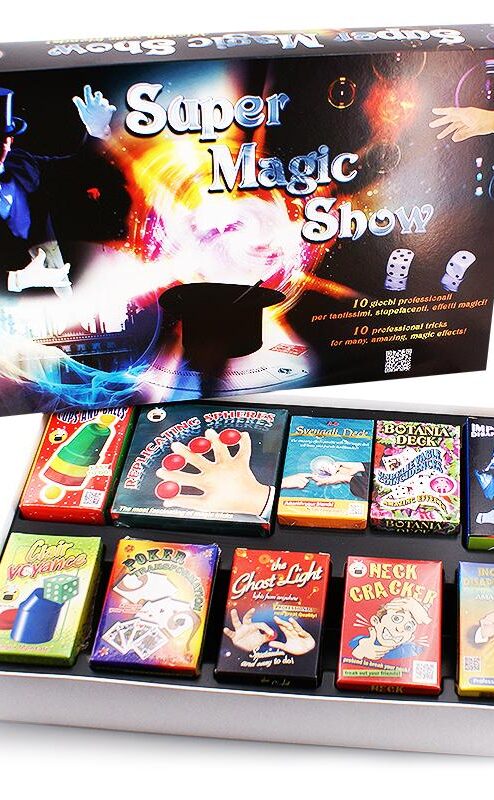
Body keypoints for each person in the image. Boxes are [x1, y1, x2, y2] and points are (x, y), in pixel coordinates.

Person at [0, 85, 116, 295]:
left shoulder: (22, 163)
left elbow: (76, 168)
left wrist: (97, 132)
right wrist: (14, 280)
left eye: (1, 139)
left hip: (57, 281)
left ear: (10, 141)